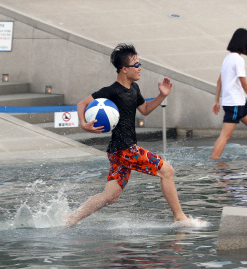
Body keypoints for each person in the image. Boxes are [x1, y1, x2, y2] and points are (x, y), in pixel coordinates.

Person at [64, 43, 191, 226]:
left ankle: (71, 218)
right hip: (125, 148)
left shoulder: (134, 89)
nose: (140, 68)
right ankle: (180, 218)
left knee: (110, 196)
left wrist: (162, 95)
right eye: (136, 65)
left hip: (119, 150)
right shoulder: (111, 91)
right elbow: (82, 104)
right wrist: (84, 125)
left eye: (140, 64)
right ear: (124, 69)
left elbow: (145, 109)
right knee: (167, 171)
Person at [211, 28, 247, 159]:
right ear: (244, 44)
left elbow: (219, 81)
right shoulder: (238, 60)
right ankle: (213, 162)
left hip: (239, 102)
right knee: (225, 135)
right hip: (235, 103)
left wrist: (216, 101)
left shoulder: (227, 58)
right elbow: (244, 83)